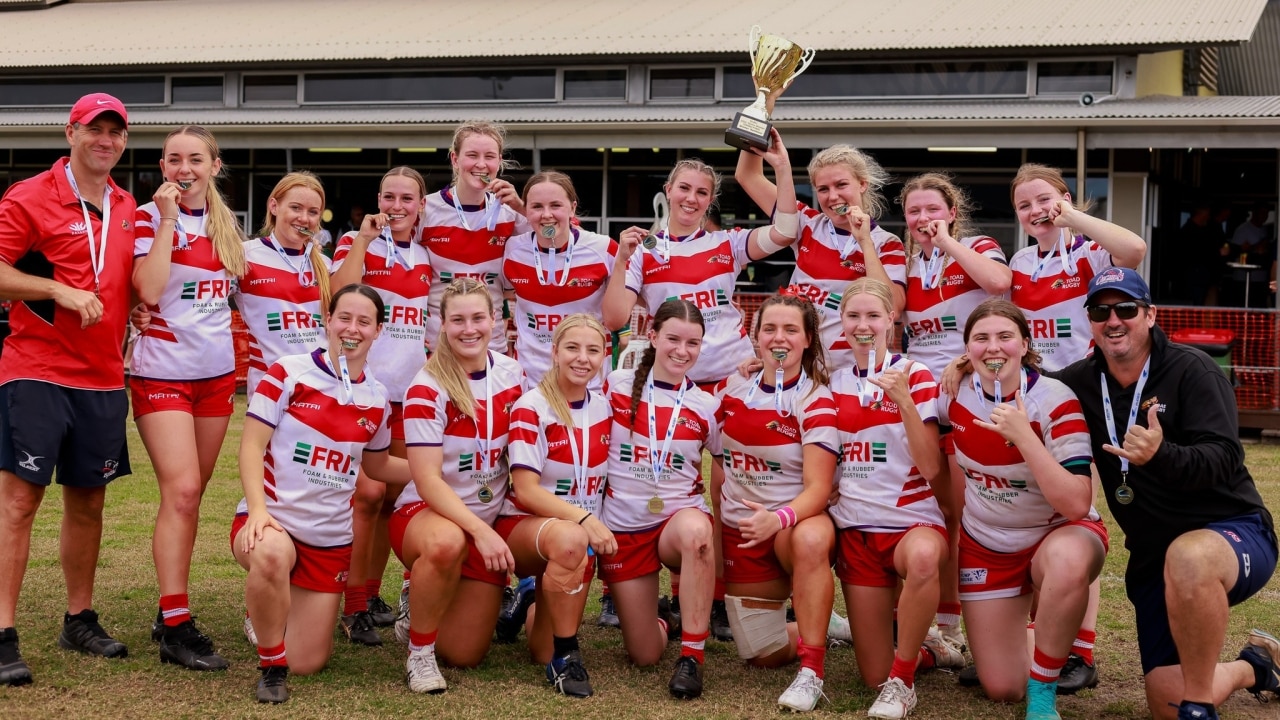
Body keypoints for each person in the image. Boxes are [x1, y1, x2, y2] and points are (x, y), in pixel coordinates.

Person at [1055, 267, 1278, 720]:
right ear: (1090, 321)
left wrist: (1162, 455)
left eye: (1126, 309)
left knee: (1188, 556)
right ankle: (1254, 666)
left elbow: (1224, 459)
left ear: (1150, 314)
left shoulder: (1192, 370)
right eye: (1100, 310)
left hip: (1231, 533)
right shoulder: (1079, 382)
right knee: (1165, 705)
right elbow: (1028, 389)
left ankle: (1200, 708)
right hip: (1153, 558)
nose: (1113, 320)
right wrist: (967, 367)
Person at [0, 93, 136, 687]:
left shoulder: (128, 204)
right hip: (36, 366)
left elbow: (120, 277)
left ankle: (78, 618)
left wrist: (140, 314)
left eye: (115, 132)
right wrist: (56, 293)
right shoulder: (29, 195)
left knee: (89, 500)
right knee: (20, 501)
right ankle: (2, 632)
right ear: (71, 132)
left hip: (103, 374)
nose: (105, 140)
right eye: (94, 130)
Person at [233, 284, 408, 703]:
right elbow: (251, 447)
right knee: (272, 555)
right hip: (274, 521)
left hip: (330, 540)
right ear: (327, 321)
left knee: (308, 661)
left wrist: (439, 468)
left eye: (364, 321)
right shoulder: (288, 372)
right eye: (344, 317)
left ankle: (275, 613)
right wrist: (257, 511)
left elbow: (378, 466)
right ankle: (270, 667)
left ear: (378, 331)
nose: (352, 328)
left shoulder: (378, 397)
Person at [942, 298, 1107, 720]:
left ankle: (1044, 690)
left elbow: (1076, 502)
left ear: (1025, 345)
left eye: (1004, 337)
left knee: (1068, 560)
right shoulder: (952, 390)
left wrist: (1025, 438)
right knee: (1002, 687)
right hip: (987, 545)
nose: (993, 347)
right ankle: (1044, 640)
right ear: (966, 350)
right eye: (981, 339)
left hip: (1056, 533)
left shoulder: (1055, 399)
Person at [132, 125, 247, 671]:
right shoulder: (147, 217)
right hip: (163, 374)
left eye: (196, 159)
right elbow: (148, 291)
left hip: (217, 377)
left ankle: (168, 605)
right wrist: (170, 218)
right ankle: (177, 625)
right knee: (180, 491)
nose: (186, 168)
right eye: (175, 158)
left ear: (214, 166)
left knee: (193, 494)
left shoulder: (230, 227)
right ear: (162, 165)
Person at [899, 173, 1011, 673]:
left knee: (970, 517)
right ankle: (944, 628)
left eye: (933, 210)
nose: (923, 220)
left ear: (952, 211)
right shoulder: (905, 263)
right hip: (922, 401)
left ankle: (981, 621)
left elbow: (999, 286)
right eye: (914, 212)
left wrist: (946, 241)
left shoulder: (977, 246)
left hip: (969, 396)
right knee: (936, 516)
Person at [392, 277, 524, 693]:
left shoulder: (512, 372)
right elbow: (427, 480)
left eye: (478, 318)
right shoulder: (426, 386)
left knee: (466, 654)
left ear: (495, 320)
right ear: (441, 325)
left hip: (485, 519)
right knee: (447, 542)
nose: (470, 329)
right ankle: (420, 653)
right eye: (458, 320)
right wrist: (480, 530)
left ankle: (427, 604)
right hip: (428, 517)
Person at [827, 278, 949, 719]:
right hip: (857, 531)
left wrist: (904, 402)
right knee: (871, 676)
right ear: (841, 323)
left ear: (891, 319)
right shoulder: (832, 381)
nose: (863, 326)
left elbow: (932, 467)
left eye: (873, 316)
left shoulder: (915, 374)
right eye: (853, 316)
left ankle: (904, 682)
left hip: (911, 523)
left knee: (921, 560)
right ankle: (927, 653)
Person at [712, 292, 838, 712]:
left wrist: (778, 519)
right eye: (769, 328)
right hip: (744, 532)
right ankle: (816, 619)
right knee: (759, 654)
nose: (778, 338)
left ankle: (811, 670)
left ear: (807, 340)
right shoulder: (732, 387)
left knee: (810, 541)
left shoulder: (816, 399)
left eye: (790, 330)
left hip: (792, 525)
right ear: (755, 335)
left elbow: (819, 488)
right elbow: (715, 463)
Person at [599, 298, 721, 700]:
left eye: (693, 343)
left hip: (676, 523)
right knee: (644, 654)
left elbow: (721, 466)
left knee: (697, 534)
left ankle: (693, 656)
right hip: (625, 529)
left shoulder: (706, 406)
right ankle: (665, 621)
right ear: (652, 336)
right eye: (673, 339)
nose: (682, 351)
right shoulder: (616, 384)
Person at [330, 167, 432, 645]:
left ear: (420, 204)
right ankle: (351, 603)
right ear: (377, 199)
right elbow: (338, 295)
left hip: (411, 395)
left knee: (397, 497)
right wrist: (362, 243)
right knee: (367, 497)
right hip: (365, 390)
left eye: (406, 198)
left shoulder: (427, 252)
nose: (396, 206)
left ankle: (371, 594)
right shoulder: (358, 239)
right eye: (389, 196)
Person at [497, 314, 615, 697]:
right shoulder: (533, 406)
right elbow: (527, 490)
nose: (582, 358)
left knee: (537, 647)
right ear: (554, 352)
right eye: (572, 348)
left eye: (592, 350)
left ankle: (531, 598)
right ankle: (566, 658)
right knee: (570, 538)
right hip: (526, 529)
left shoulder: (605, 407)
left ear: (604, 356)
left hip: (574, 542)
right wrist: (584, 519)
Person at [736, 134, 905, 370]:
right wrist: (760, 117)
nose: (833, 196)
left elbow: (893, 308)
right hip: (798, 369)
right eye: (823, 189)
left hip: (848, 373)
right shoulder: (807, 224)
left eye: (841, 185)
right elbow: (748, 176)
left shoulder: (886, 243)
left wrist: (864, 241)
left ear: (862, 184)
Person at [1008, 163, 1145, 373]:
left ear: (1066, 200)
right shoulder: (1019, 261)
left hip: (1085, 377)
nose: (1035, 210)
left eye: (1044, 199)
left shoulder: (1090, 254)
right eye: (1024, 205)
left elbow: (1135, 250)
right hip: (1034, 382)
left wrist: (1072, 217)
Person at [420, 121, 530, 355]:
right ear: (455, 159)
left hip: (492, 350)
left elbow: (556, 237)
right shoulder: (426, 210)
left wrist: (522, 208)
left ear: (499, 162)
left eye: (490, 156)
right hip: (438, 352)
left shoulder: (511, 214)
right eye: (472, 155)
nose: (481, 164)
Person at [501, 171, 617, 387]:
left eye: (556, 205)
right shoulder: (513, 249)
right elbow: (506, 292)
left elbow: (631, 301)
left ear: (572, 207)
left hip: (590, 384)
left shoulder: (604, 248)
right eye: (536, 207)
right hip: (531, 383)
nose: (546, 215)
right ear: (525, 210)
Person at [236, 171, 333, 396]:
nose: (304, 218)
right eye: (296, 208)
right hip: (269, 391)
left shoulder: (325, 264)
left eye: (313, 212)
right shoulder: (244, 256)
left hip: (322, 389)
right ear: (274, 206)